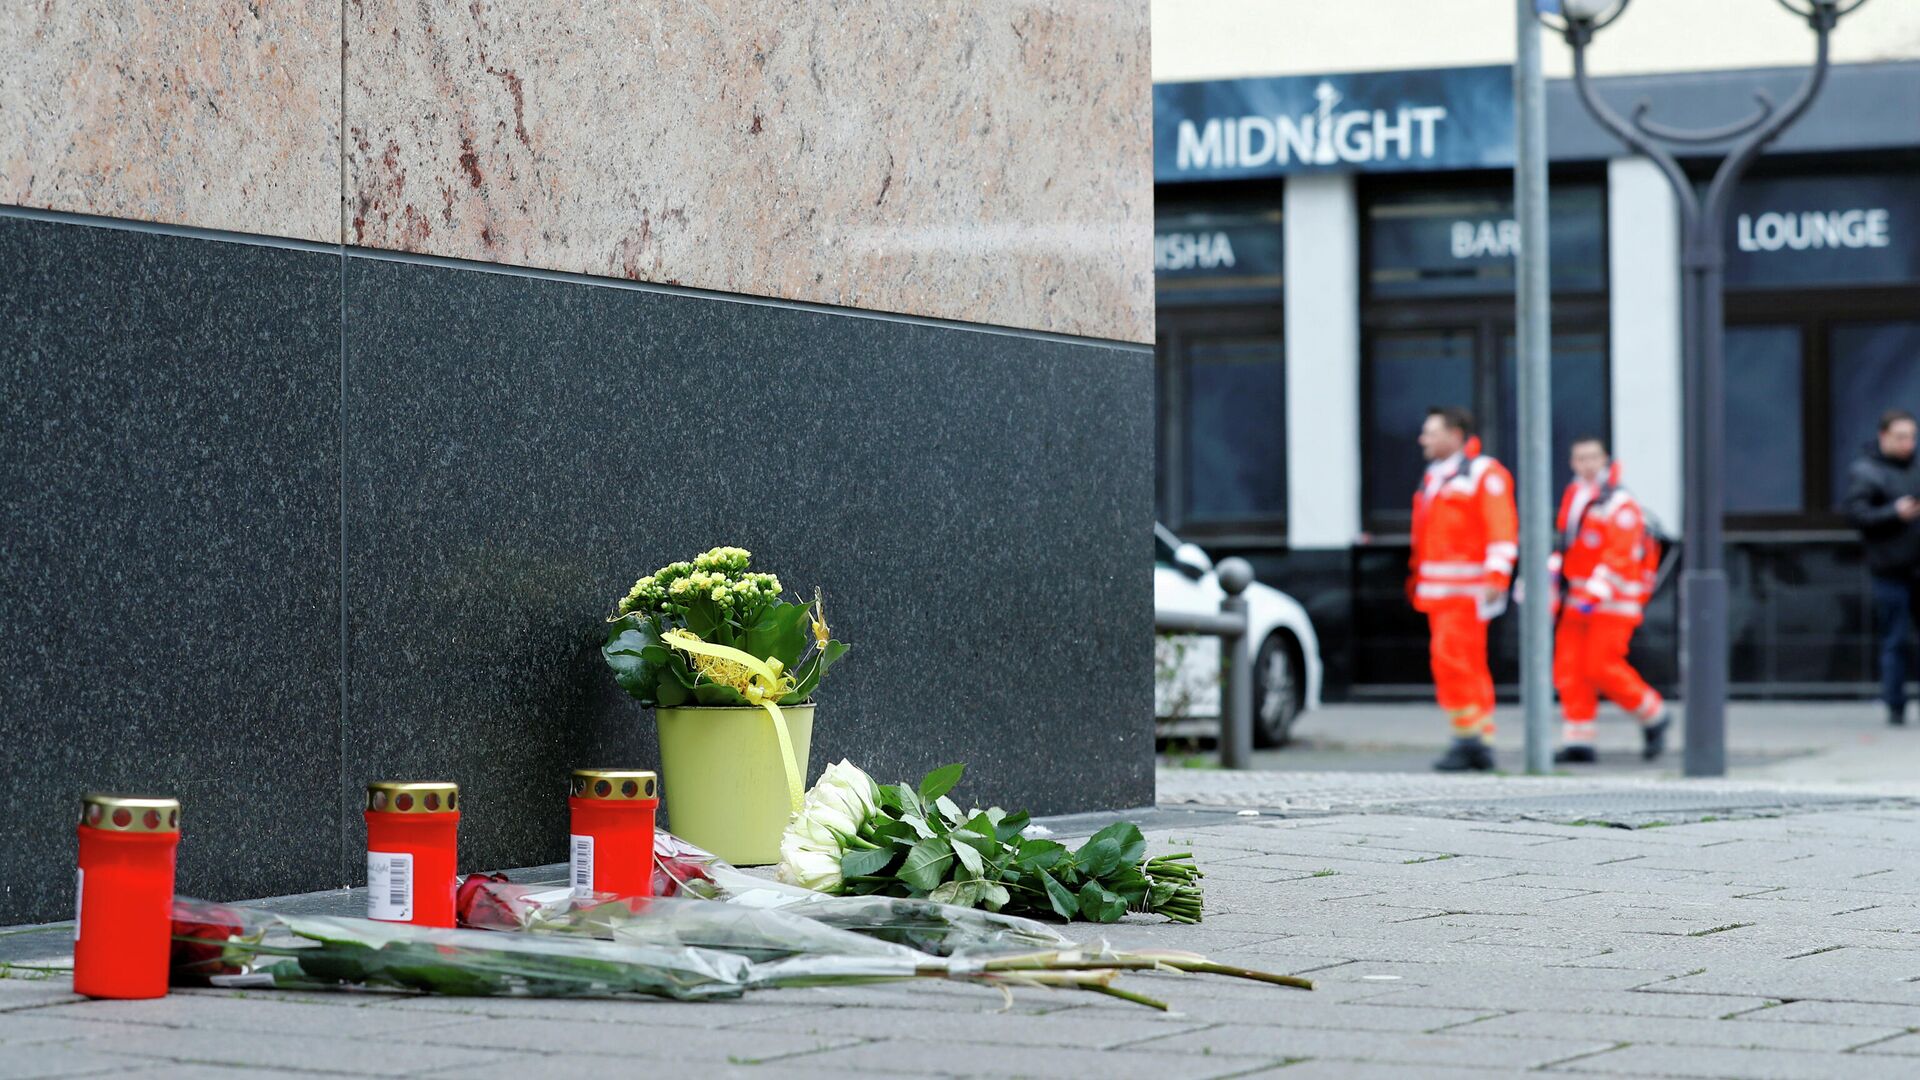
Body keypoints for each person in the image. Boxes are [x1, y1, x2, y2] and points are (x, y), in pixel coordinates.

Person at [1549, 437, 1670, 764]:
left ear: (1605, 461)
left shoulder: (1619, 503)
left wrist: (1594, 592)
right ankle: (1578, 740)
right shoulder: (1576, 496)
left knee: (1601, 666)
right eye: (1579, 458)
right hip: (1578, 599)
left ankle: (1654, 714)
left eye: (1592, 458)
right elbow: (1568, 548)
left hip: (1613, 602)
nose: (1586, 464)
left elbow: (1620, 557)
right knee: (1569, 667)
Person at [1409, 406, 1517, 772]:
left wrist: (1496, 577)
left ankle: (1468, 738)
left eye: (1430, 432)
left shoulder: (1483, 474)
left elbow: (1501, 529)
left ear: (1454, 436)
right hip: (1440, 592)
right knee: (1463, 664)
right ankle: (1478, 739)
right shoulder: (1437, 476)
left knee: (1453, 661)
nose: (1423, 439)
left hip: (1467, 592)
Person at [1843, 409, 1920, 727]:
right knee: (1896, 640)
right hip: (1890, 570)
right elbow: (1857, 515)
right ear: (1884, 437)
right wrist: (1894, 512)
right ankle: (1895, 706)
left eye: (1912, 437)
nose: (1908, 444)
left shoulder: (1915, 468)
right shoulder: (1866, 471)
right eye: (1901, 437)